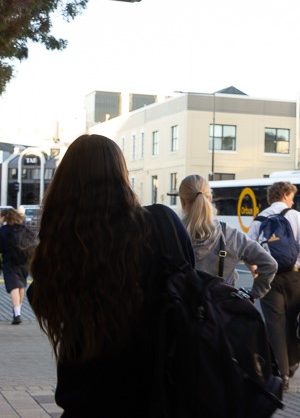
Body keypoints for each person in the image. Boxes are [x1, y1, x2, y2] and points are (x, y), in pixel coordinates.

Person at [28, 134, 196, 416]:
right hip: (156, 396)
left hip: (84, 401)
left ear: (64, 185)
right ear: (122, 175)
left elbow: (41, 300)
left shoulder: (57, 245)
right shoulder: (161, 223)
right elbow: (189, 291)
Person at [248, 181, 300, 390]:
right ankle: (293, 362)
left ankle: (282, 375)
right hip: (293, 277)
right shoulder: (296, 217)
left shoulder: (260, 219)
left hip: (268, 278)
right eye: (291, 196)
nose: (292, 200)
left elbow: (248, 250)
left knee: (275, 325)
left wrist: (256, 271)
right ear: (283, 194)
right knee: (294, 322)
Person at [178, 174, 277, 300]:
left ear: (182, 201)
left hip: (182, 313)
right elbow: (270, 264)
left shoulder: (171, 236)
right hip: (220, 313)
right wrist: (253, 294)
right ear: (210, 198)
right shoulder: (230, 235)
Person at [0, 208, 32, 325]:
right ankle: (18, 310)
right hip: (24, 262)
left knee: (13, 286)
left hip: (10, 261)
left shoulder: (4, 230)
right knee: (21, 285)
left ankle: (17, 314)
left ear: (5, 217)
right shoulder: (23, 228)